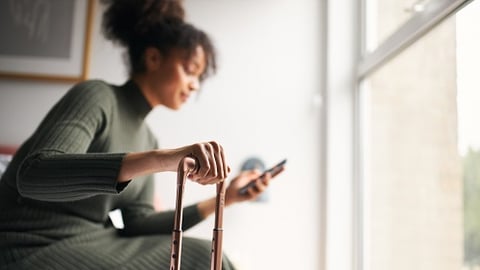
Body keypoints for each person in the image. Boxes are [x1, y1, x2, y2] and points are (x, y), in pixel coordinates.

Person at [0, 0, 273, 269]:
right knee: (201, 260)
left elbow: (138, 223)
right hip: (28, 246)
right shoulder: (96, 96)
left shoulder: (147, 137)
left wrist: (226, 197)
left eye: (199, 77)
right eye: (190, 71)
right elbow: (33, 174)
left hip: (95, 240)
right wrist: (164, 160)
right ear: (153, 58)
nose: (194, 85)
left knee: (207, 255)